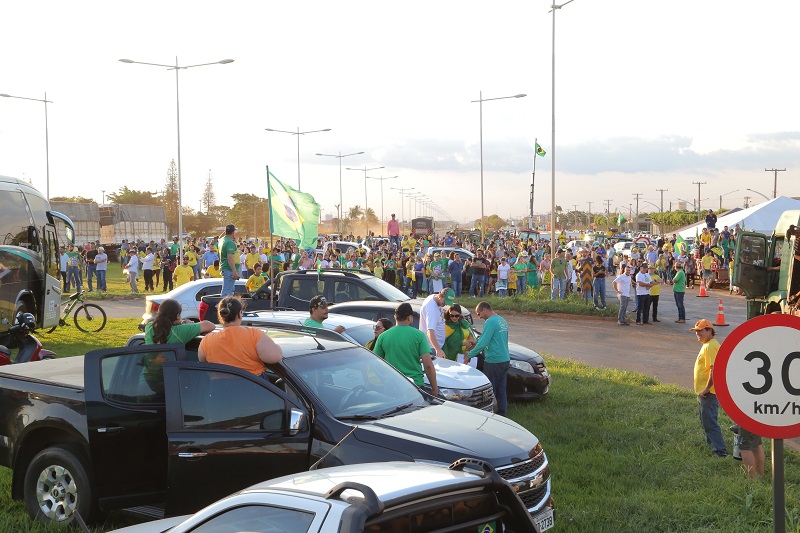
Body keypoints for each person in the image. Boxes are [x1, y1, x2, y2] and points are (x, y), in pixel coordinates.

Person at [198, 295, 283, 377]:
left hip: (219, 388)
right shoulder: (253, 334)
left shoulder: (207, 340)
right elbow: (275, 357)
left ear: (220, 316)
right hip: (253, 386)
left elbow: (203, 362)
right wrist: (278, 347)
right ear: (240, 314)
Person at [373, 302, 438, 396]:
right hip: (415, 385)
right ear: (409, 317)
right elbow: (428, 365)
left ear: (395, 317)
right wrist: (435, 389)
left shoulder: (383, 336)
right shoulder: (419, 335)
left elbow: (376, 364)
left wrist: (385, 379)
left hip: (391, 386)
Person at [690, 319, 728, 458]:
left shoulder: (710, 346)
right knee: (705, 421)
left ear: (709, 331)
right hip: (704, 392)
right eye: (696, 331)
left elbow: (715, 370)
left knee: (710, 423)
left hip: (708, 393)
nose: (698, 334)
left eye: (701, 331)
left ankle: (720, 452)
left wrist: (706, 388)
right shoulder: (708, 344)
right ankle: (712, 446)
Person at [467, 301, 510, 416]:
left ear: (484, 310)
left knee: (490, 390)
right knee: (501, 389)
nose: (479, 317)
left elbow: (483, 343)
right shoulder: (501, 320)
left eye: (479, 313)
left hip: (494, 361)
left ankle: (490, 415)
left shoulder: (490, 322)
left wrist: (469, 355)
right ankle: (502, 413)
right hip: (505, 359)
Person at [419, 288, 454, 359]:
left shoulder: (434, 297)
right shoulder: (432, 309)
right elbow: (430, 331)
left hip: (436, 346)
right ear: (440, 295)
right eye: (444, 301)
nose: (445, 304)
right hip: (432, 348)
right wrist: (438, 349)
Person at [219, 224, 240, 297]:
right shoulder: (230, 242)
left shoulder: (222, 240)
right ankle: (224, 307)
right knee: (227, 292)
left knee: (230, 291)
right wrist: (234, 271)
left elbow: (219, 237)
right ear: (233, 232)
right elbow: (230, 257)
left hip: (225, 268)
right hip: (229, 269)